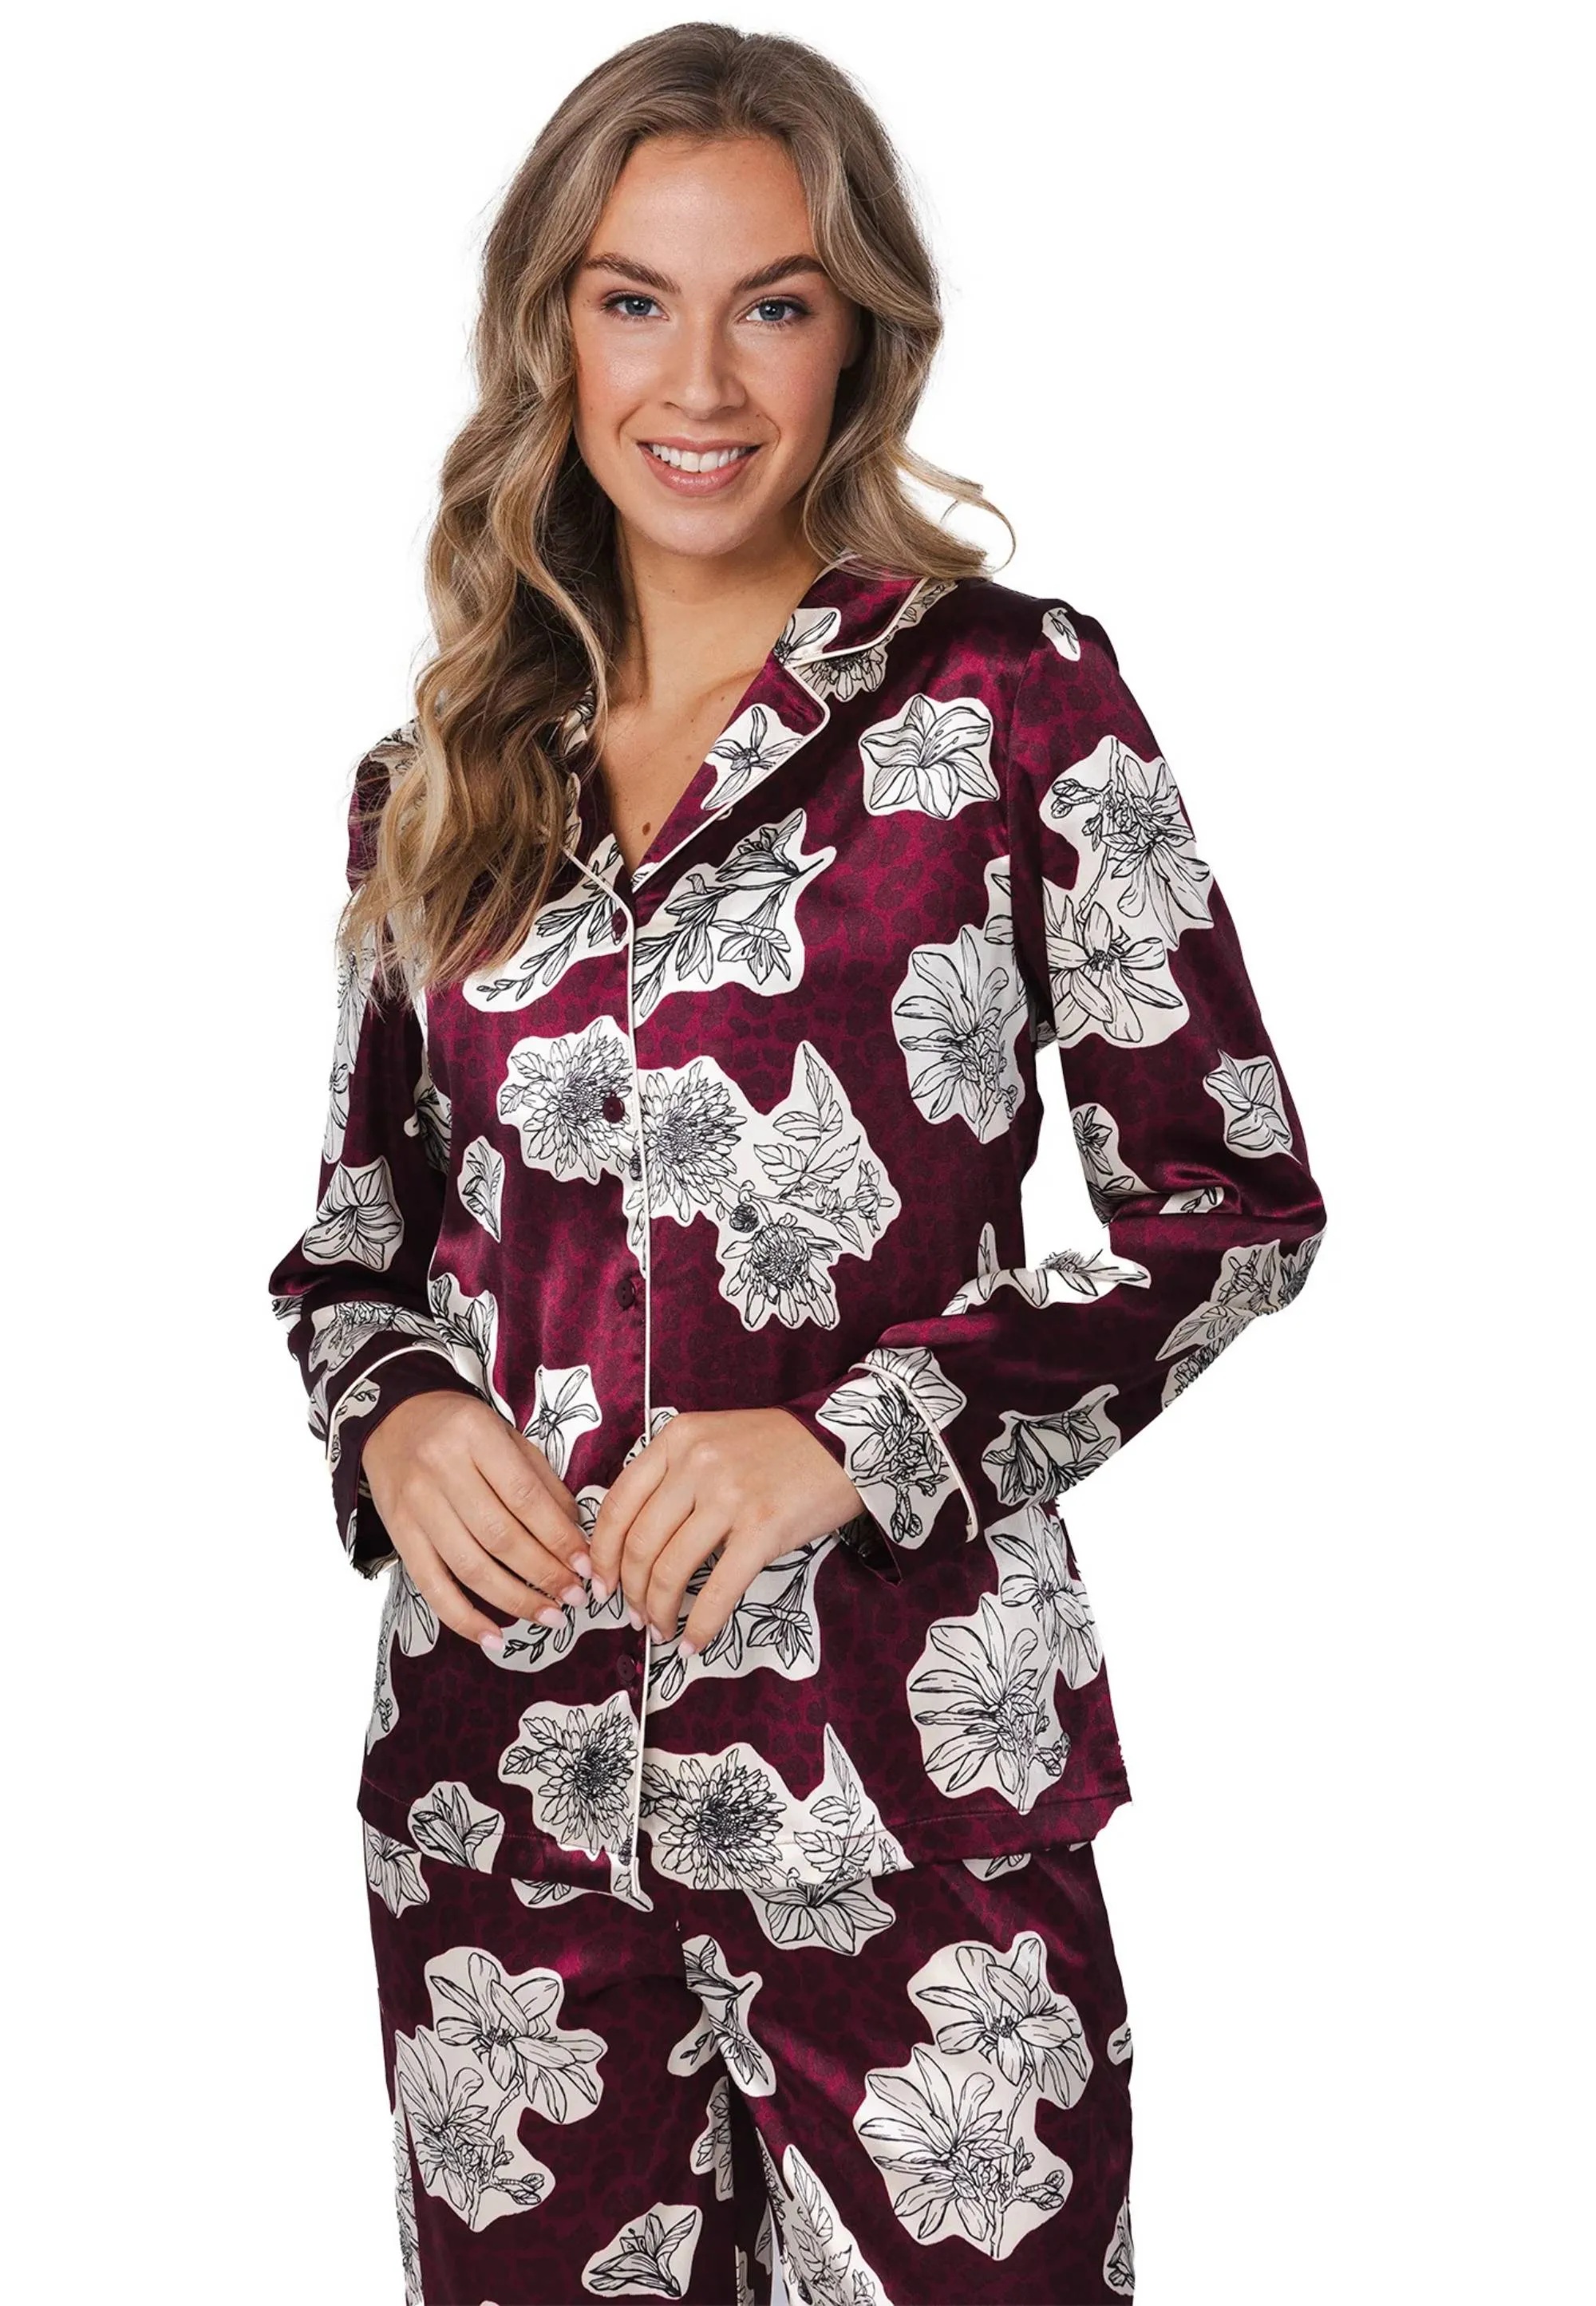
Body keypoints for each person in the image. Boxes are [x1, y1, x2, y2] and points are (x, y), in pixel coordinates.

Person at [265, 24, 1327, 2304]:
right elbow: (358, 1237)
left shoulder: (1015, 703)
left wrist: (856, 1434)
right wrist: (399, 1409)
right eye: (633, 300)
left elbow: (1230, 1209)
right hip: (502, 1826)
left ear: (861, 336)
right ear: (552, 330)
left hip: (914, 1804)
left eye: (774, 302)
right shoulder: (439, 770)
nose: (700, 380)